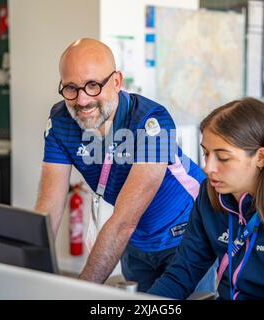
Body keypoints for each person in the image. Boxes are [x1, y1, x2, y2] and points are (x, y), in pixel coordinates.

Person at [34, 38, 206, 292]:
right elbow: (47, 209)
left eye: (93, 85)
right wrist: (28, 276)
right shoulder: (61, 121)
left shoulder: (151, 121)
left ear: (116, 81)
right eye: (71, 88)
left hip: (188, 233)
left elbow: (123, 223)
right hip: (136, 242)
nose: (82, 101)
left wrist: (77, 294)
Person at [148, 97, 264, 299]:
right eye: (206, 153)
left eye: (223, 157)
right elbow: (181, 275)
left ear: (261, 158)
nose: (208, 168)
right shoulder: (209, 197)